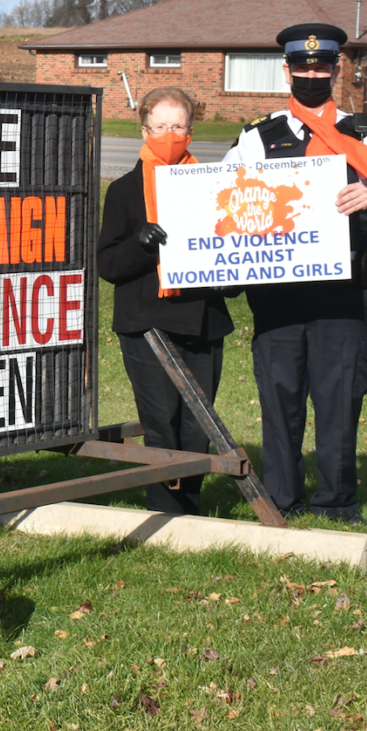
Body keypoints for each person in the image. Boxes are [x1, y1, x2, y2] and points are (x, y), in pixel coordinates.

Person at [223, 23, 367, 524]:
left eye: (322, 66)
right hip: (277, 291)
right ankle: (282, 499)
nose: (312, 74)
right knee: (280, 392)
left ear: (336, 70)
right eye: (303, 66)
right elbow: (221, 196)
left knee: (338, 395)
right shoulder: (256, 137)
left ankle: (338, 502)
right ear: (287, 70)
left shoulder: (362, 132)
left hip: (342, 290)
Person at [98, 87, 234, 515]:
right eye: (161, 126)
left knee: (198, 425)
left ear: (191, 132)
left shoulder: (215, 187)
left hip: (203, 320)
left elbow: (233, 250)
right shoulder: (124, 191)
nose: (169, 134)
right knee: (161, 423)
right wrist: (141, 244)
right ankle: (163, 510)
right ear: (145, 129)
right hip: (146, 323)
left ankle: (189, 510)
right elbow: (108, 264)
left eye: (178, 126)